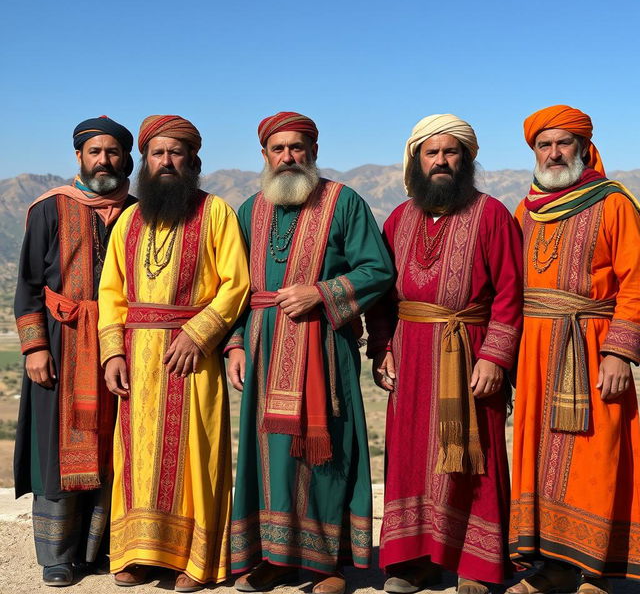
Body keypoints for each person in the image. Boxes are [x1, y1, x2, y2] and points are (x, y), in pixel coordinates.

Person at [227, 111, 394, 594]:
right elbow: (234, 286)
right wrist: (235, 342)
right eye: (278, 149)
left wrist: (321, 293)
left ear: (314, 153)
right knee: (270, 456)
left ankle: (326, 566)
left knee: (325, 453)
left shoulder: (345, 203)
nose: (288, 157)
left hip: (324, 349)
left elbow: (377, 268)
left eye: (297, 148)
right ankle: (276, 558)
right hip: (262, 348)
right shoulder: (248, 210)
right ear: (263, 156)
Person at [366, 114, 523, 594]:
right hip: (411, 355)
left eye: (450, 152)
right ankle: (415, 562)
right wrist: (383, 349)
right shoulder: (398, 218)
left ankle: (474, 564)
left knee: (473, 458)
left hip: (470, 351)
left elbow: (510, 294)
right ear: (416, 160)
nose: (441, 161)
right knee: (412, 457)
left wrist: (495, 357)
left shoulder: (492, 213)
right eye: (431, 152)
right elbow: (383, 295)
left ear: (466, 159)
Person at [98, 115, 250, 592]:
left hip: (193, 359)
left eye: (175, 152)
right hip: (137, 358)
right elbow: (112, 291)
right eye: (158, 153)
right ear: (145, 161)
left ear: (192, 159)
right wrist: (112, 353)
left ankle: (195, 561)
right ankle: (137, 553)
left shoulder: (216, 213)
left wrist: (200, 332)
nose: (166, 161)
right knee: (135, 455)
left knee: (195, 454)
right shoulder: (129, 218)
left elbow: (235, 284)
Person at [508, 105, 640, 594]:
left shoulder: (613, 204)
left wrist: (621, 352)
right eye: (545, 144)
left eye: (564, 143)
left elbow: (636, 280)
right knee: (541, 460)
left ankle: (599, 570)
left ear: (584, 148)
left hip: (593, 346)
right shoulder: (526, 209)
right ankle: (556, 568)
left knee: (598, 456)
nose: (555, 152)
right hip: (536, 353)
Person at [14, 116, 136, 586]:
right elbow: (27, 285)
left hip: (119, 344)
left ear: (126, 158)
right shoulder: (49, 209)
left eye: (112, 152)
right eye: (94, 152)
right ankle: (57, 555)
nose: (103, 160)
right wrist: (34, 347)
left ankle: (103, 548)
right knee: (58, 448)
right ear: (78, 157)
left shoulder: (136, 211)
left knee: (113, 445)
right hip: (62, 342)